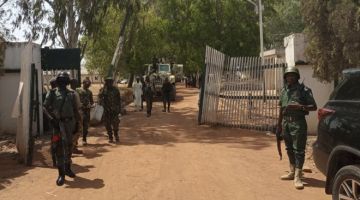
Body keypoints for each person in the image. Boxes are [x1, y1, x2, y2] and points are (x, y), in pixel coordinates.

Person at [277, 66, 317, 189]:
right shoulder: (283, 91)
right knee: (289, 148)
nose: (290, 77)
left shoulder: (304, 90)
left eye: (292, 75)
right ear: (285, 77)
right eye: (288, 75)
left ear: (297, 77)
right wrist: (279, 126)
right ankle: (292, 171)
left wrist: (301, 107)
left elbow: (314, 107)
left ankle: (298, 176)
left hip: (298, 123)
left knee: (299, 150)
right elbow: (281, 109)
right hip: (286, 123)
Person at [43, 72, 81, 186]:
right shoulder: (53, 93)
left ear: (67, 82)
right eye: (61, 80)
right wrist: (51, 120)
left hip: (69, 124)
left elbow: (76, 110)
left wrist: (77, 124)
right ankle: (61, 174)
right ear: (58, 81)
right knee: (58, 148)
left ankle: (68, 168)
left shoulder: (72, 94)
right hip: (57, 125)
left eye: (65, 80)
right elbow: (45, 107)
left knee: (69, 146)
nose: (63, 82)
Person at [99, 77, 121, 143]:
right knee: (107, 125)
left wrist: (119, 109)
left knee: (115, 124)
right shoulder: (103, 90)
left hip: (114, 110)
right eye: (107, 82)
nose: (109, 84)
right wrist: (103, 88)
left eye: (110, 82)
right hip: (106, 110)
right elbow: (99, 96)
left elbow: (119, 100)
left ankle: (116, 135)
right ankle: (110, 137)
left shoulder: (116, 90)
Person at [76, 79, 94, 145]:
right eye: (86, 84)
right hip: (79, 111)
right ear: (83, 83)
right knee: (78, 126)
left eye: (89, 85)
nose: (88, 85)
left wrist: (91, 105)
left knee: (86, 126)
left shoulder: (89, 92)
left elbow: (92, 101)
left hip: (87, 111)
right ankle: (75, 141)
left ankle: (84, 139)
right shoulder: (77, 90)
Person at [70, 79, 83, 154]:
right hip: (75, 114)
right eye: (76, 82)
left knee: (74, 131)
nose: (77, 83)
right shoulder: (73, 93)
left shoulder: (71, 91)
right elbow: (76, 106)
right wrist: (79, 116)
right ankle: (72, 148)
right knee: (77, 131)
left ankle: (74, 147)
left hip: (71, 114)